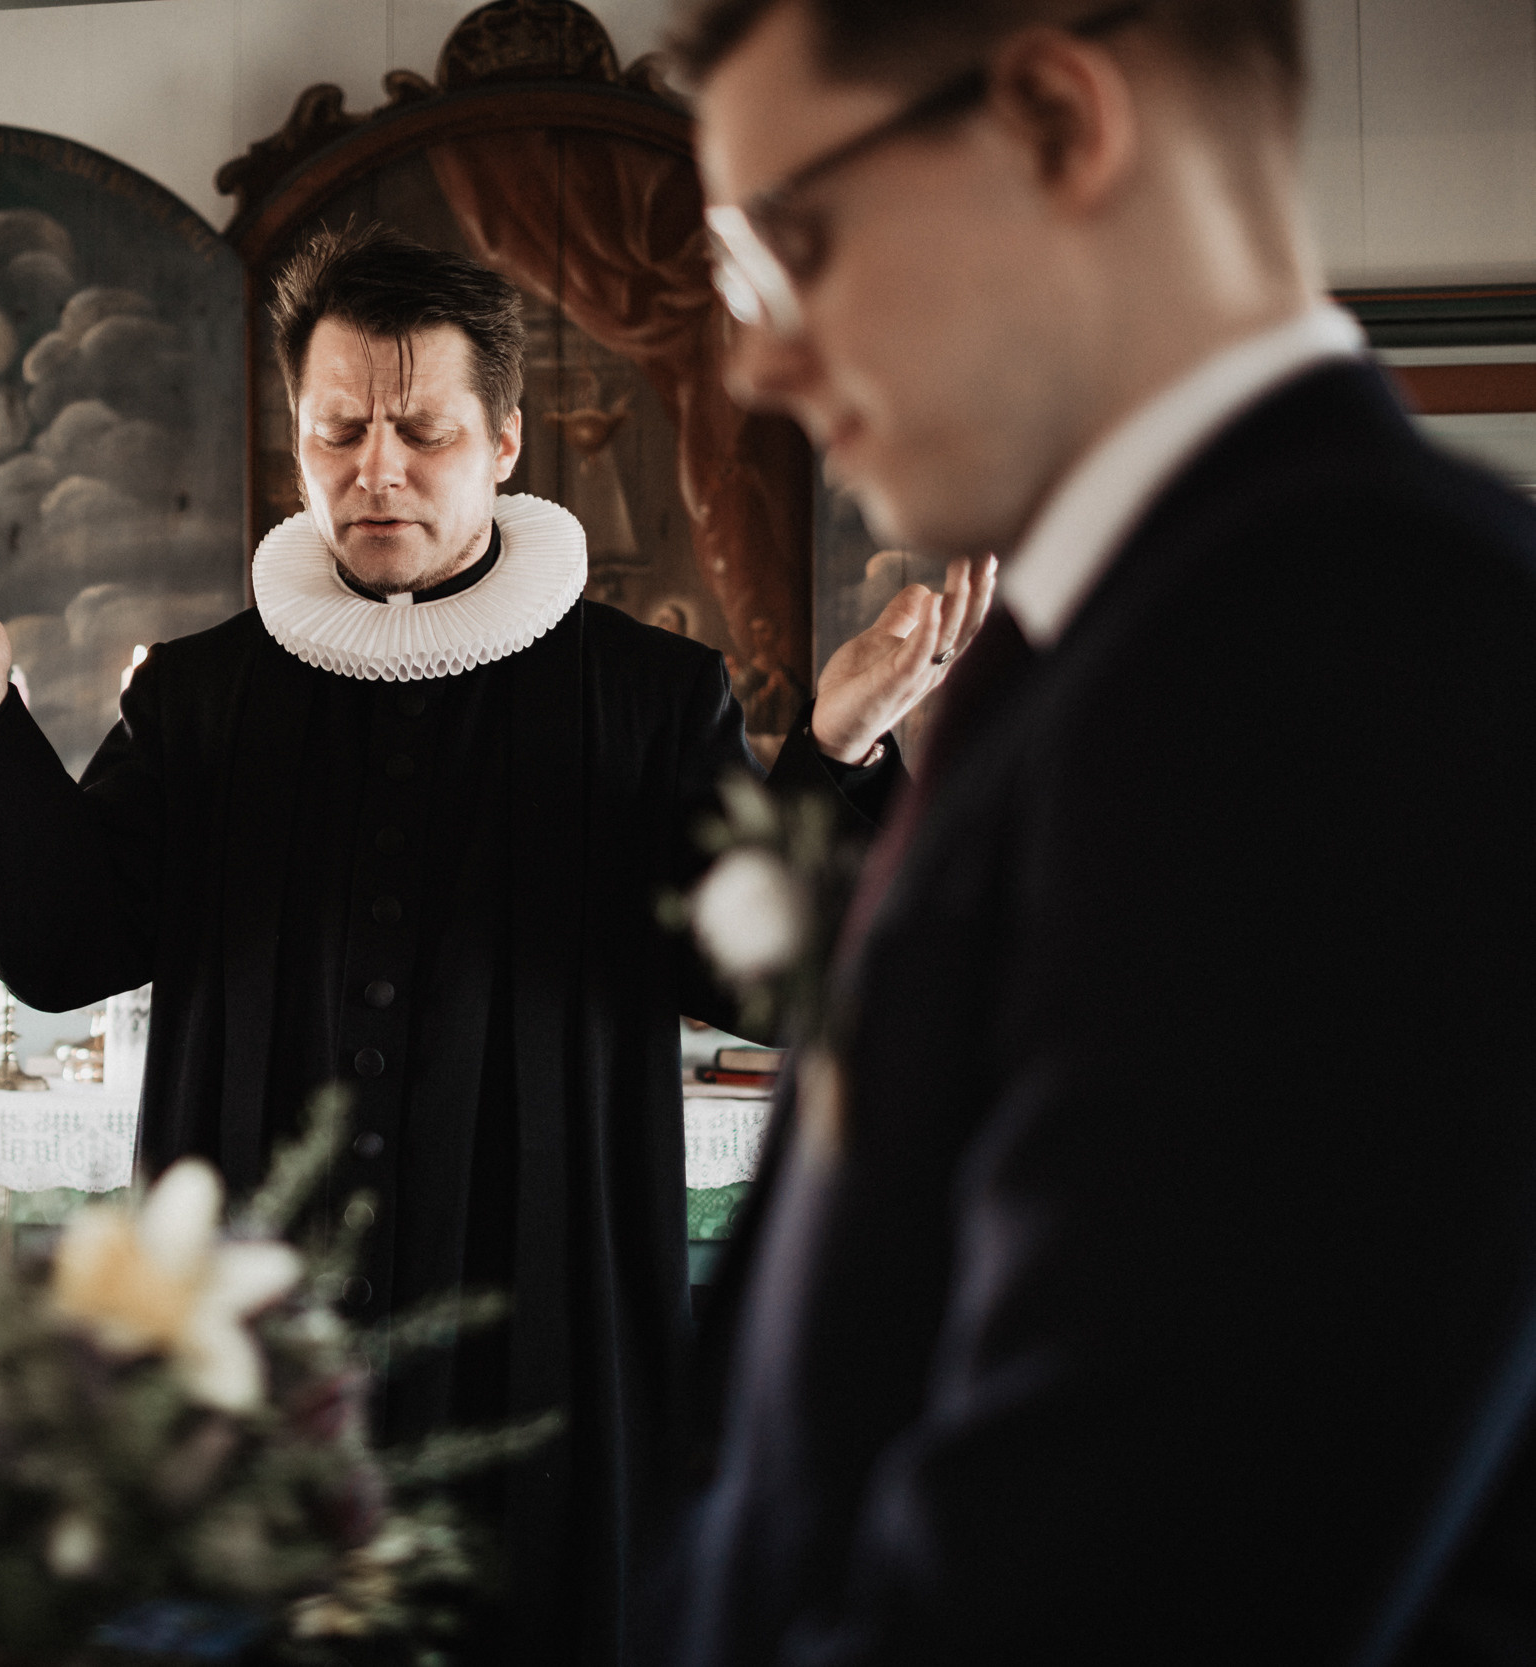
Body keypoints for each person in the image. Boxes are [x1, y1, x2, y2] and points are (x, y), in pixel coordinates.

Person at [0, 225, 986, 1666]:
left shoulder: (648, 697)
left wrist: (834, 746)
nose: (375, 468)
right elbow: (72, 944)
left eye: (423, 430)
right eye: (337, 430)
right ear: (296, 438)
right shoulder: (206, 696)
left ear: (505, 440)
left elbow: (749, 976)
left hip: (544, 1317)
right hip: (259, 1338)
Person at [660, 1, 1536, 1661]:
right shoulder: (1122, 650)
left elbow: (1123, 1579)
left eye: (785, 246)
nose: (751, 360)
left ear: (1059, 119)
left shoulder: (1357, 646)